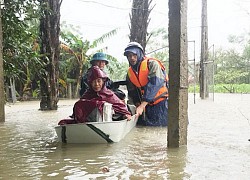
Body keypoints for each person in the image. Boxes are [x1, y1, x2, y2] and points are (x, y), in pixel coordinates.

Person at [123, 42, 168, 126]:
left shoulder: (152, 64)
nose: (132, 58)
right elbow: (132, 91)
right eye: (129, 56)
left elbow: (155, 84)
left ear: (140, 54)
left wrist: (142, 106)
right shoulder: (130, 73)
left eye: (134, 55)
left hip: (161, 104)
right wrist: (137, 105)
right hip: (146, 107)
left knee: (162, 129)